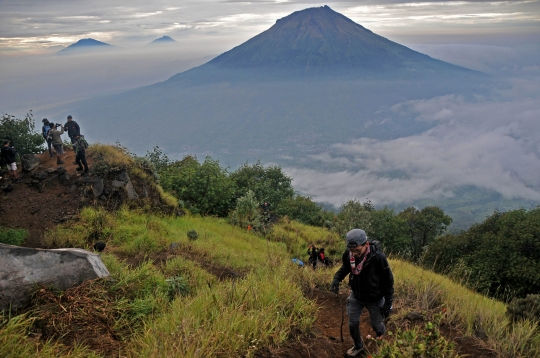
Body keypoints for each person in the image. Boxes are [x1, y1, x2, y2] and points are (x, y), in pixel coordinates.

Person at [330, 229, 394, 357]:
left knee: (377, 326)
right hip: (356, 295)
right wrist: (336, 279)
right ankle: (358, 346)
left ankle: (382, 346)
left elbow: (388, 281)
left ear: (366, 244)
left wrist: (388, 303)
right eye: (352, 250)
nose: (354, 253)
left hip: (375, 298)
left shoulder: (378, 258)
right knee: (353, 323)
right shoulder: (349, 254)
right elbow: (345, 268)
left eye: (357, 250)